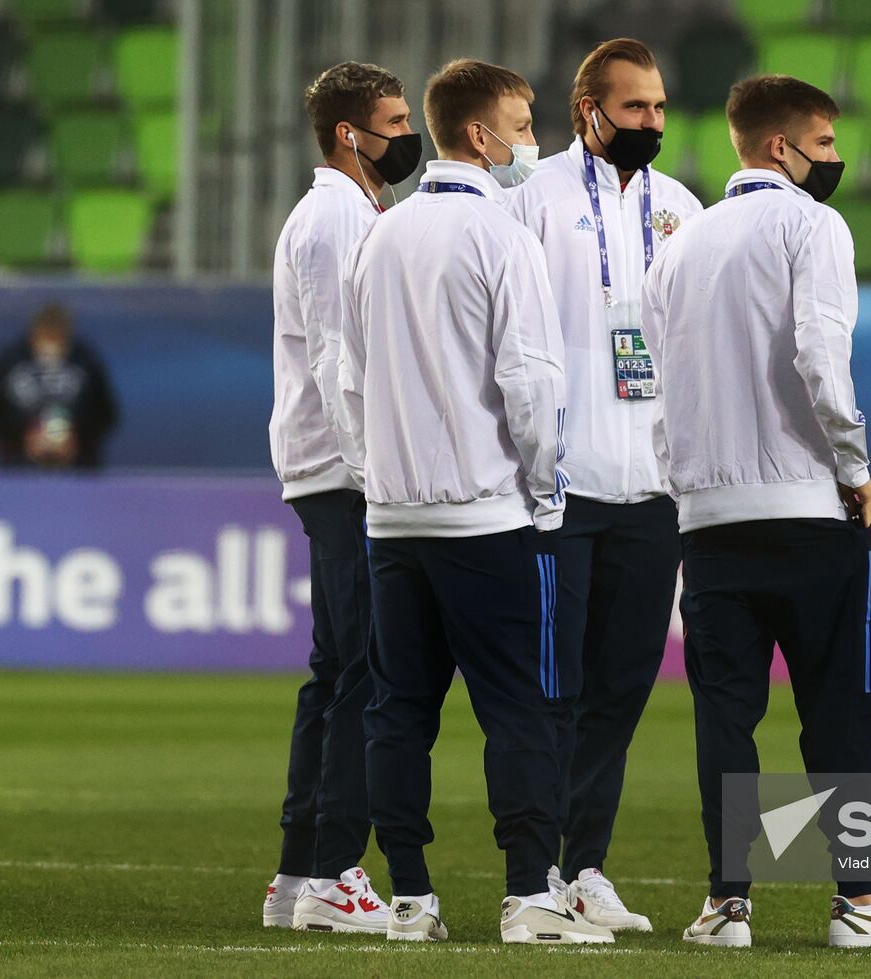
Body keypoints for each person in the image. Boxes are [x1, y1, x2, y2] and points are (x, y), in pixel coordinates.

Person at [641, 73, 871, 951]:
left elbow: (660, 389)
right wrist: (853, 463)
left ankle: (726, 904)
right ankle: (860, 900)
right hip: (807, 506)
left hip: (708, 518)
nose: (836, 160)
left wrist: (685, 486)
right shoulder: (812, 225)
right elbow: (818, 350)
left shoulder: (680, 245)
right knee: (842, 710)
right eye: (825, 142)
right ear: (781, 146)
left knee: (724, 716)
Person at [334, 58, 613, 946]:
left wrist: (377, 476)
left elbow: (347, 378)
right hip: (487, 517)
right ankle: (530, 893)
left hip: (394, 520)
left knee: (399, 711)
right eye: (526, 125)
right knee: (519, 710)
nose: (536, 141)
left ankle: (410, 898)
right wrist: (544, 489)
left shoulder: (380, 234)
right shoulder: (503, 238)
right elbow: (530, 382)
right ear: (484, 137)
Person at [505, 37, 702, 932]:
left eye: (660, 107)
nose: (652, 123)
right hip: (559, 490)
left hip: (650, 494)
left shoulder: (682, 209)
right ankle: (534, 872)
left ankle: (584, 866)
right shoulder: (533, 198)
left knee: (620, 688)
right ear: (589, 111)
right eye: (636, 108)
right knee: (553, 690)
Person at [263, 60, 420, 934]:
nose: (407, 137)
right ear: (347, 135)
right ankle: (332, 872)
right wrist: (374, 473)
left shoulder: (351, 211)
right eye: (394, 123)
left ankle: (299, 874)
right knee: (366, 669)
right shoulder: (332, 220)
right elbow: (333, 356)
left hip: (332, 468)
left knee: (336, 670)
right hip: (342, 471)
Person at [0, 303, 117, 469]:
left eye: (58, 338)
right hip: (17, 468)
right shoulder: (8, 360)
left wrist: (76, 438)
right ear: (34, 334)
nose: (51, 346)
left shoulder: (86, 360)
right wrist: (23, 437)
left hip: (79, 470)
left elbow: (106, 415)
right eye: (46, 337)